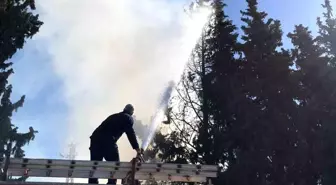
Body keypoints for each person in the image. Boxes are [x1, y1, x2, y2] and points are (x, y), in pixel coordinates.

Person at [89, 104, 141, 185]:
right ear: (131, 112)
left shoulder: (114, 116)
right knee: (115, 165)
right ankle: (111, 183)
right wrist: (137, 148)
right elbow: (130, 133)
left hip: (95, 139)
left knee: (95, 165)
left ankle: (92, 183)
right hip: (108, 140)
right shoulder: (128, 118)